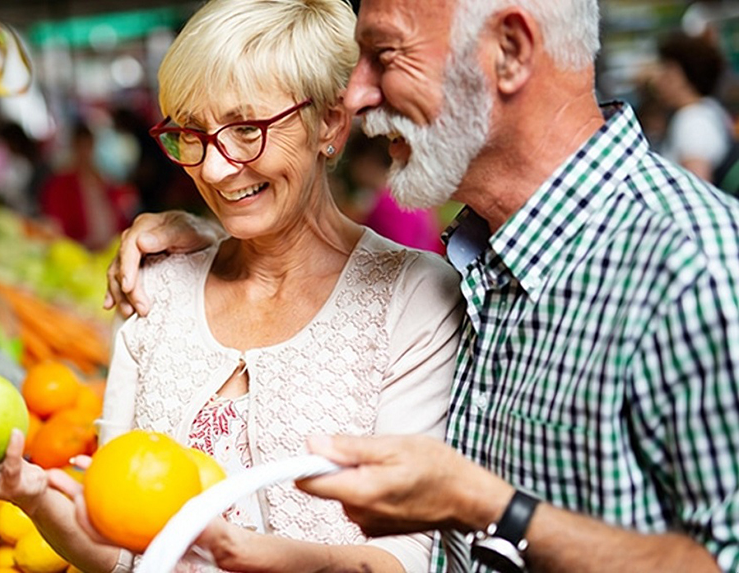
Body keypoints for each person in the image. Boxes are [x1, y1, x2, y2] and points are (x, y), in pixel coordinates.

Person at [106, 0, 739, 571]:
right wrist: (219, 234)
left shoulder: (695, 264)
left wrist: (483, 504)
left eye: (383, 56)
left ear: (510, 52)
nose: (354, 96)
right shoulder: (487, 258)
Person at [0, 1, 463, 572]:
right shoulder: (156, 288)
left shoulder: (414, 301)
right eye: (192, 134)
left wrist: (242, 555)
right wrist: (31, 495)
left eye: (245, 130)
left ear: (329, 123)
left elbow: (405, 558)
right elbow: (119, 547)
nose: (213, 168)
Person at [649, 31, 734, 182]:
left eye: (666, 71)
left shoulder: (692, 121)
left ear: (683, 76)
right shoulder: (710, 109)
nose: (657, 80)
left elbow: (699, 184)